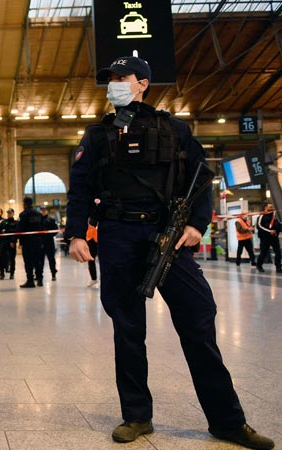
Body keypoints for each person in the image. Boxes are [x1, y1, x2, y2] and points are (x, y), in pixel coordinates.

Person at [66, 55, 274, 449]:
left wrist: (197, 224)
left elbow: (201, 179)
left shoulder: (175, 129)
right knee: (128, 329)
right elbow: (78, 188)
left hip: (168, 235)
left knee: (198, 319)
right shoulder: (96, 136)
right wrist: (77, 234)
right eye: (110, 79)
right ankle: (137, 416)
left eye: (122, 77)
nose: (114, 84)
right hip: (117, 235)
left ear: (143, 82)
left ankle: (227, 421)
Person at [17, 197, 44, 288]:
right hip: (38, 240)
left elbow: (20, 229)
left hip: (27, 241)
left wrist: (18, 240)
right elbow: (42, 228)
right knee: (38, 261)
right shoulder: (39, 214)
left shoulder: (23, 214)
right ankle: (40, 279)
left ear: (25, 204)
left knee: (28, 262)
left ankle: (30, 281)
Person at [256, 203, 281, 273]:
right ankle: (259, 265)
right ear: (266, 207)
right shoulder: (261, 216)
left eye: (272, 207)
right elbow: (259, 226)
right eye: (270, 207)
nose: (272, 208)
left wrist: (277, 232)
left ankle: (278, 267)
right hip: (265, 238)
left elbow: (278, 225)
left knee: (278, 252)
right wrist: (269, 231)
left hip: (274, 238)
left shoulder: (275, 216)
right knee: (263, 253)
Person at [0, 208, 17, 280]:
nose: (9, 214)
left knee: (12, 259)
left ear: (13, 214)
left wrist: (13, 241)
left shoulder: (16, 223)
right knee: (2, 258)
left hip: (11, 243)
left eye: (10, 213)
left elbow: (17, 234)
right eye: (8, 213)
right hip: (3, 243)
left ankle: (12, 273)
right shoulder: (3, 222)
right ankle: (2, 273)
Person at [39, 205, 58, 281]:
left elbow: (55, 230)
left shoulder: (51, 220)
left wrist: (49, 235)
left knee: (51, 259)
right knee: (40, 260)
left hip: (49, 242)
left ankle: (53, 274)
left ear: (47, 211)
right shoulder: (38, 220)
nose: (43, 211)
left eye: (44, 210)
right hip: (40, 242)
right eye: (42, 210)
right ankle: (40, 275)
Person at [86, 218, 99, 287]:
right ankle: (93, 279)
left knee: (104, 261)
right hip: (90, 239)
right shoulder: (87, 214)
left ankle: (104, 279)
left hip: (101, 239)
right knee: (91, 260)